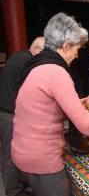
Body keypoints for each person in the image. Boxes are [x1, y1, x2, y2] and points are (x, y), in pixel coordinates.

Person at [11, 12, 89, 196]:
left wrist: (75, 105)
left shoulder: (37, 65)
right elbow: (87, 126)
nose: (77, 55)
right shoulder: (57, 73)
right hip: (41, 158)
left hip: (22, 151)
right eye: (77, 49)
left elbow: (42, 109)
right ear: (65, 45)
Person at [0, 37, 44, 196]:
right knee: (11, 156)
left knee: (6, 154)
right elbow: (31, 92)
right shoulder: (26, 61)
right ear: (37, 49)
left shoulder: (19, 56)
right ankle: (14, 191)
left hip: (4, 112)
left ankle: (13, 184)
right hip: (8, 115)